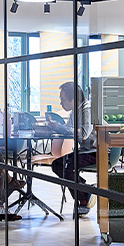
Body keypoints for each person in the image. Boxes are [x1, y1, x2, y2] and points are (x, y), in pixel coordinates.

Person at [47, 82, 97, 215]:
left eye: (63, 99)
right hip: (86, 150)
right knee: (57, 165)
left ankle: (83, 198)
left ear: (73, 99)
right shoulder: (75, 111)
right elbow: (69, 131)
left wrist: (61, 128)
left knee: (65, 166)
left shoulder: (88, 109)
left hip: (97, 152)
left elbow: (84, 134)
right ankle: (85, 192)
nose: (61, 103)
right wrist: (55, 128)